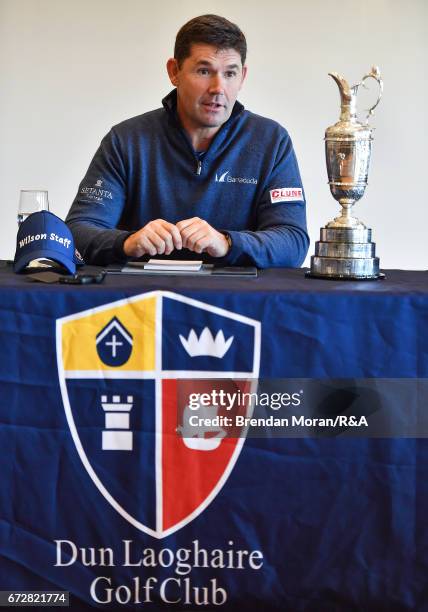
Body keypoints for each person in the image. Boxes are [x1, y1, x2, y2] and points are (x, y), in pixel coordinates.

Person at [66, 14, 309, 268]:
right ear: (174, 72)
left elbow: (292, 242)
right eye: (204, 71)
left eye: (229, 73)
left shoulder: (271, 141)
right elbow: (77, 232)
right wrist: (128, 242)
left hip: (236, 301)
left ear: (243, 77)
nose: (218, 87)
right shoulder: (126, 141)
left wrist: (227, 242)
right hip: (140, 300)